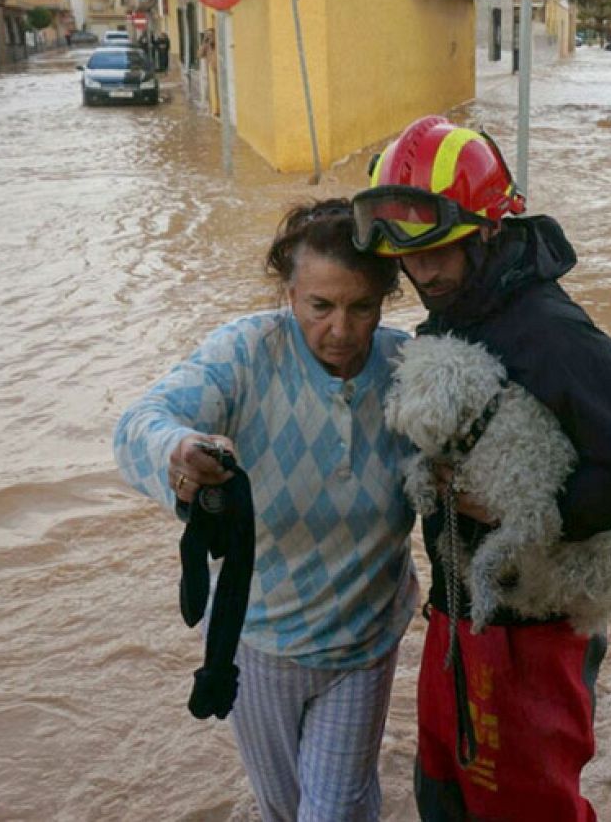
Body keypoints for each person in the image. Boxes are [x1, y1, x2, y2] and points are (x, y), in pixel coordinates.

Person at [351, 116, 611, 820]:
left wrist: (513, 512)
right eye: (410, 256)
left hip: (533, 638)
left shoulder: (551, 334)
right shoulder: (457, 310)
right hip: (458, 618)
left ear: (490, 230)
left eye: (443, 249)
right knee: (441, 795)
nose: (425, 271)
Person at [113, 200, 416, 822]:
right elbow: (137, 424)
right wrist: (181, 451)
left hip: (363, 641)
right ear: (290, 292)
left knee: (330, 811)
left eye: (362, 308)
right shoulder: (246, 354)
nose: (341, 330)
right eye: (320, 307)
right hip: (260, 642)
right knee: (284, 808)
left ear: (387, 298)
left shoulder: (410, 369)